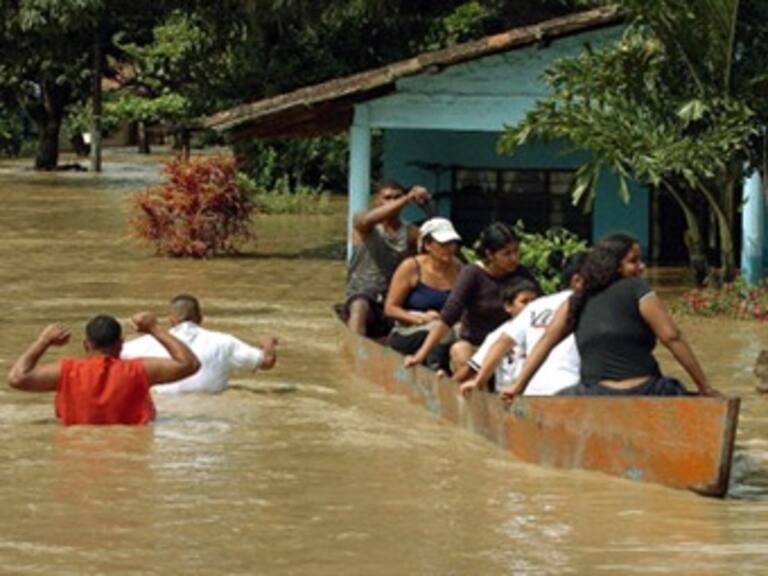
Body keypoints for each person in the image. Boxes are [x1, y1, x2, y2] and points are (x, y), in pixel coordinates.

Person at [499, 233, 722, 400]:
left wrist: (518, 386)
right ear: (614, 265)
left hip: (594, 395)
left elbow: (546, 341)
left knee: (562, 398)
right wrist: (704, 387)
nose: (641, 267)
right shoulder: (638, 289)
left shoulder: (576, 299)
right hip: (648, 391)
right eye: (633, 261)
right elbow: (672, 337)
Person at [7, 312, 200, 425]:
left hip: (78, 452)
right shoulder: (139, 371)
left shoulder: (65, 371)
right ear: (121, 344)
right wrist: (154, 329)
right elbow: (189, 364)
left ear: (86, 344)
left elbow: (17, 378)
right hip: (130, 452)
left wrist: (43, 341)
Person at [404, 222, 538, 374]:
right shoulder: (472, 274)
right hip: (476, 346)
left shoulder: (521, 273)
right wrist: (420, 355)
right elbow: (448, 317)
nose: (514, 258)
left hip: (510, 346)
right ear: (489, 254)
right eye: (506, 253)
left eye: (516, 252)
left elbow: (542, 307)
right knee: (460, 351)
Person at [459, 252, 588, 397]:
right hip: (572, 392)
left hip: (530, 391)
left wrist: (479, 382)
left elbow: (502, 343)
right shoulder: (592, 305)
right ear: (577, 280)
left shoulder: (537, 305)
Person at [122, 294, 277, 394]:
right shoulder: (224, 342)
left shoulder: (141, 344)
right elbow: (266, 362)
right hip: (209, 417)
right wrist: (268, 344)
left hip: (166, 418)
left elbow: (110, 357)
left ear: (171, 320)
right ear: (200, 318)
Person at [346, 181, 431, 337]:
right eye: (387, 198)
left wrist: (425, 204)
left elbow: (436, 243)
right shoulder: (364, 223)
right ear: (377, 201)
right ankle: (354, 354)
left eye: (396, 197)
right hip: (363, 295)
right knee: (359, 306)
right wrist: (406, 199)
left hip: (392, 299)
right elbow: (366, 221)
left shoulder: (411, 233)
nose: (392, 202)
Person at [384, 217, 463, 371]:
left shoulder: (459, 268)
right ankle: (434, 371)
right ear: (427, 245)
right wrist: (420, 318)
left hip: (446, 327)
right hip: (408, 331)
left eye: (452, 244)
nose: (449, 249)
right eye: (443, 244)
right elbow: (390, 308)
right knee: (438, 329)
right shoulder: (410, 267)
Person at [453, 277, 540, 388]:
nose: (531, 306)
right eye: (524, 302)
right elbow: (473, 368)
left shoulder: (545, 329)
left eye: (534, 301)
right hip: (508, 394)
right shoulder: (500, 334)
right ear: (508, 306)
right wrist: (448, 384)